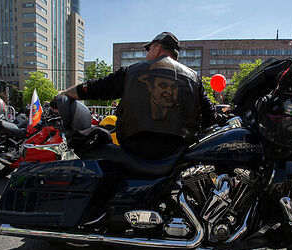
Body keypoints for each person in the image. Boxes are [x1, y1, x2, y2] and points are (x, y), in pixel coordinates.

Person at [54, 32, 217, 159]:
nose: (147, 54)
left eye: (149, 49)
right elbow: (210, 116)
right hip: (178, 154)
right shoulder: (194, 78)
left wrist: (63, 94)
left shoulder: (131, 71)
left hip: (135, 151)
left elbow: (95, 88)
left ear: (158, 48)